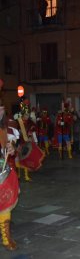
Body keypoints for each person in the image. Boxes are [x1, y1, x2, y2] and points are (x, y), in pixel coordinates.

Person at [0, 103, 19, 251]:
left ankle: (6, 236)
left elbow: (9, 148)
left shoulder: (4, 128)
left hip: (2, 169)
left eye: (2, 108)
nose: (1, 111)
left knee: (5, 202)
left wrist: (11, 148)